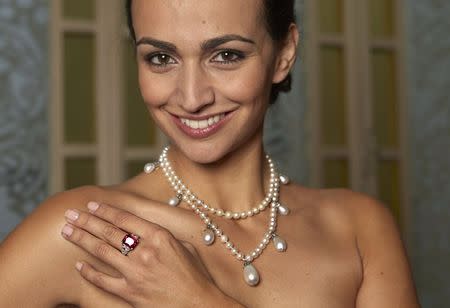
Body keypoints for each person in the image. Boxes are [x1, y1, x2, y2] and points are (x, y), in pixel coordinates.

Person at [0, 0, 420, 307]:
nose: (191, 96)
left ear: (284, 54)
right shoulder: (90, 232)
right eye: (160, 57)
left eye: (226, 55)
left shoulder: (359, 229)